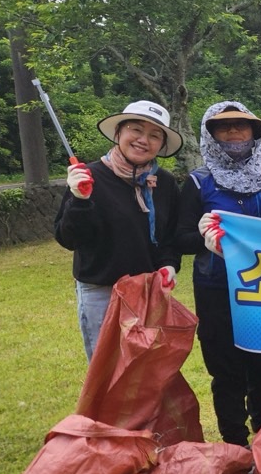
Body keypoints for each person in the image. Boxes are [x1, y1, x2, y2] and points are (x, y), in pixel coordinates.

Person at [176, 101, 261, 447]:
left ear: (254, 133)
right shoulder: (198, 182)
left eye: (242, 125)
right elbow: (179, 237)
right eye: (224, 127)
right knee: (226, 370)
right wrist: (204, 238)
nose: (234, 132)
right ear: (211, 134)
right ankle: (235, 443)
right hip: (215, 288)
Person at [55, 100, 183, 361]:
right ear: (118, 133)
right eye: (136, 130)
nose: (143, 140)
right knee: (107, 371)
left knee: (148, 370)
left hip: (149, 290)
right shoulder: (88, 176)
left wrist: (169, 265)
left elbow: (170, 237)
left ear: (161, 144)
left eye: (154, 135)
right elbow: (68, 238)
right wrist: (79, 200)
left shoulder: (166, 183)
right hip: (101, 290)